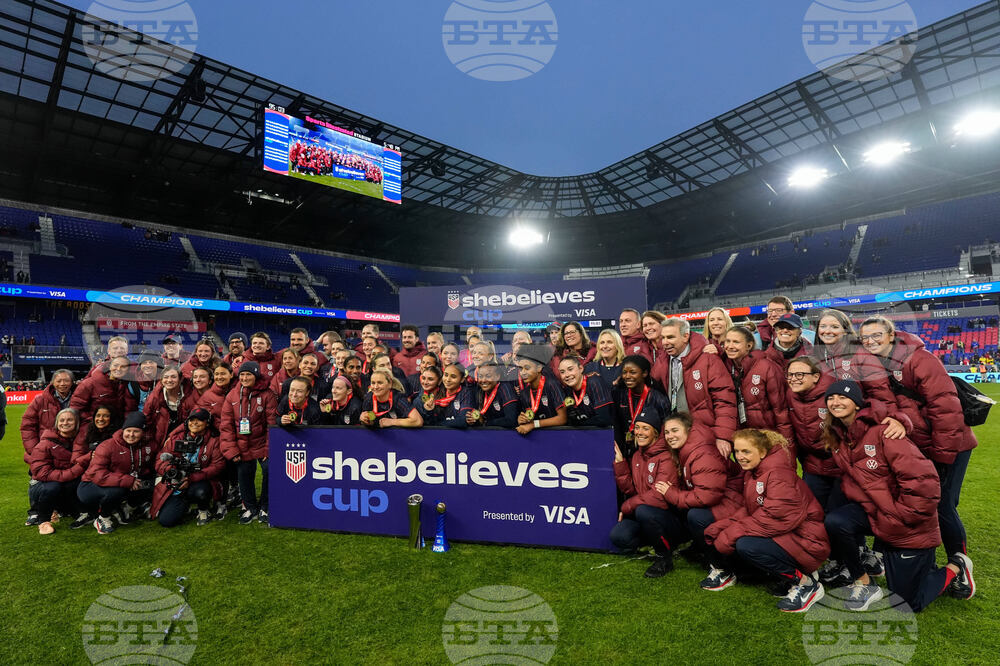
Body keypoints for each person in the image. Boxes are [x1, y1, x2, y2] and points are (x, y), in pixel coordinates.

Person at [821, 380, 972, 611]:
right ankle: (863, 581)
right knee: (835, 521)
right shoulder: (839, 438)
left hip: (909, 524)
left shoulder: (885, 431)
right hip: (880, 515)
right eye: (830, 398)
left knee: (907, 605)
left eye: (843, 397)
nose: (835, 402)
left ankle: (955, 567)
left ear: (858, 404)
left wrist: (902, 516)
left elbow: (924, 481)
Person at [859, 316, 978, 595]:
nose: (870, 341)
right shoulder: (874, 364)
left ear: (891, 335)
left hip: (949, 445)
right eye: (865, 337)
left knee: (942, 505)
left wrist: (943, 456)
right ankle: (924, 564)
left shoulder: (919, 359)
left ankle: (959, 566)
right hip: (919, 447)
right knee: (925, 506)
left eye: (876, 335)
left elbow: (946, 409)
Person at [702, 429, 830, 613]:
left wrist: (732, 531)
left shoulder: (779, 474)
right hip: (790, 536)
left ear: (762, 452)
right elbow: (751, 510)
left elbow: (777, 517)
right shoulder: (754, 472)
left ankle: (806, 584)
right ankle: (787, 576)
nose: (739, 457)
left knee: (747, 545)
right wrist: (723, 526)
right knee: (729, 535)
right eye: (737, 451)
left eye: (746, 451)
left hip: (809, 542)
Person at [654, 412, 743, 562]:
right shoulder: (687, 449)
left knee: (695, 515)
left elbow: (706, 496)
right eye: (667, 432)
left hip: (733, 500)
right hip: (721, 497)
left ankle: (720, 563)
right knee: (682, 508)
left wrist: (672, 494)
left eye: (675, 430)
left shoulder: (703, 453)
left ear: (688, 430)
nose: (670, 436)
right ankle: (699, 547)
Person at [651, 318, 738, 457]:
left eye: (671, 337)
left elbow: (725, 400)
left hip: (705, 436)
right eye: (663, 338)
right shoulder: (661, 362)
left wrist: (723, 436)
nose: (665, 342)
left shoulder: (708, 359)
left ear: (686, 336)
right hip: (675, 436)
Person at [611, 409, 681, 578]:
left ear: (656, 433)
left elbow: (659, 497)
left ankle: (664, 558)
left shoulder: (666, 457)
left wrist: (627, 506)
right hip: (647, 516)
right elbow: (632, 491)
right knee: (619, 536)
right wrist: (620, 466)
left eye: (645, 428)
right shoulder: (637, 456)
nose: (639, 432)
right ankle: (654, 541)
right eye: (637, 427)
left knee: (643, 511)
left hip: (670, 518)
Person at [78, 412, 156, 534]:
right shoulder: (107, 446)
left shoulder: (146, 446)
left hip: (120, 481)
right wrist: (128, 481)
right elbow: (97, 474)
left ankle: (126, 508)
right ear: (123, 430)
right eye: (128, 430)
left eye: (136, 431)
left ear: (142, 432)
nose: (131, 435)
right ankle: (102, 518)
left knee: (149, 482)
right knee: (116, 491)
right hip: (90, 485)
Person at [220, 361, 277, 525]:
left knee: (269, 470)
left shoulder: (267, 394)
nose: (245, 378)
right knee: (244, 473)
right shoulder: (232, 395)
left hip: (261, 443)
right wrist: (232, 450)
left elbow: (271, 425)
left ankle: (266, 506)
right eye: (242, 374)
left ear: (256, 375)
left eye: (249, 374)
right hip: (241, 444)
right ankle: (250, 507)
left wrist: (268, 450)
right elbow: (226, 425)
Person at [150, 408, 225, 527]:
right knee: (166, 521)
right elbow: (160, 460)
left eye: (199, 420)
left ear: (207, 423)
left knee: (201, 492)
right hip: (177, 483)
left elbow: (217, 466)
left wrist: (191, 478)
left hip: (199, 481)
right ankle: (187, 505)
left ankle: (203, 509)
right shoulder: (176, 438)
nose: (194, 423)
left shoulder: (214, 441)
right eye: (192, 419)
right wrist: (170, 471)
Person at [721, 326, 794, 446]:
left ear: (749, 346)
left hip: (769, 438)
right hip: (744, 437)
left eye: (736, 342)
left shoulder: (767, 367)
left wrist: (787, 443)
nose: (730, 346)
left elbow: (781, 410)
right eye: (727, 341)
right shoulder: (726, 367)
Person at [784, 357, 841, 510]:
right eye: (790, 375)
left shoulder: (834, 393)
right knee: (813, 512)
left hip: (839, 465)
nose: (793, 379)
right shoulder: (791, 395)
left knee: (837, 516)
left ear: (816, 377)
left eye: (800, 375)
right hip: (812, 465)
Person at [29, 408, 89, 533]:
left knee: (81, 481)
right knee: (53, 487)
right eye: (61, 420)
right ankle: (43, 521)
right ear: (57, 423)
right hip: (43, 484)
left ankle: (78, 512)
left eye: (69, 420)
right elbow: (41, 472)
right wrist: (71, 472)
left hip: (65, 480)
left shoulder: (81, 441)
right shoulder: (45, 443)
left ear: (77, 422)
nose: (65, 423)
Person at [613, 355, 671, 456]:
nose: (627, 376)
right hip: (625, 451)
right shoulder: (619, 394)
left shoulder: (658, 399)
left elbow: (665, 429)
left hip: (651, 453)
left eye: (633, 372)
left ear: (644, 373)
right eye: (624, 372)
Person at [21, 369, 75, 468]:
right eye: (58, 381)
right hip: (46, 451)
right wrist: (35, 450)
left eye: (66, 380)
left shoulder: (81, 399)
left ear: (72, 382)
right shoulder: (40, 400)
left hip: (73, 449)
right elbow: (27, 426)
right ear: (52, 383)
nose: (62, 384)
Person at [515, 346, 567, 435]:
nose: (523, 372)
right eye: (520, 368)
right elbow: (528, 420)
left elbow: (563, 418)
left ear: (539, 368)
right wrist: (521, 419)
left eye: (527, 368)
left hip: (559, 436)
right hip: (539, 438)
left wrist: (534, 424)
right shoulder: (524, 393)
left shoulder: (552, 385)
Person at [70, 356, 135, 425]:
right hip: (92, 425)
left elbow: (129, 409)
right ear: (110, 366)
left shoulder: (127, 385)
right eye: (115, 365)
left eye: (124, 367)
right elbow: (76, 408)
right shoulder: (89, 383)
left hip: (116, 426)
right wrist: (94, 420)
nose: (119, 369)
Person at [558, 355, 613, 427]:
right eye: (562, 372)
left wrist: (578, 423)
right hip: (582, 434)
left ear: (581, 368)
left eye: (570, 369)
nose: (567, 375)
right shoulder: (567, 390)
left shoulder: (594, 382)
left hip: (605, 434)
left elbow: (604, 419)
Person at [143, 367, 187, 449]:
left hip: (183, 435)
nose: (169, 380)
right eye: (166, 377)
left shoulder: (188, 395)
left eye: (173, 377)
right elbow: (147, 421)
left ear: (180, 379)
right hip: (160, 438)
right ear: (161, 381)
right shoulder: (154, 398)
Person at [466, 362, 519, 428]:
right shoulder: (479, 391)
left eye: (488, 376)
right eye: (480, 376)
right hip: (490, 433)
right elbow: (480, 419)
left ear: (497, 376)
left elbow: (511, 420)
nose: (483, 380)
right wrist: (473, 420)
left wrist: (485, 422)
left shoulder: (505, 388)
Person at [71, 405, 119, 470]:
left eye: (105, 416)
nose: (101, 419)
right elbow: (75, 460)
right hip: (87, 471)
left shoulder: (117, 436)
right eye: (98, 415)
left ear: (112, 418)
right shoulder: (86, 431)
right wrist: (90, 456)